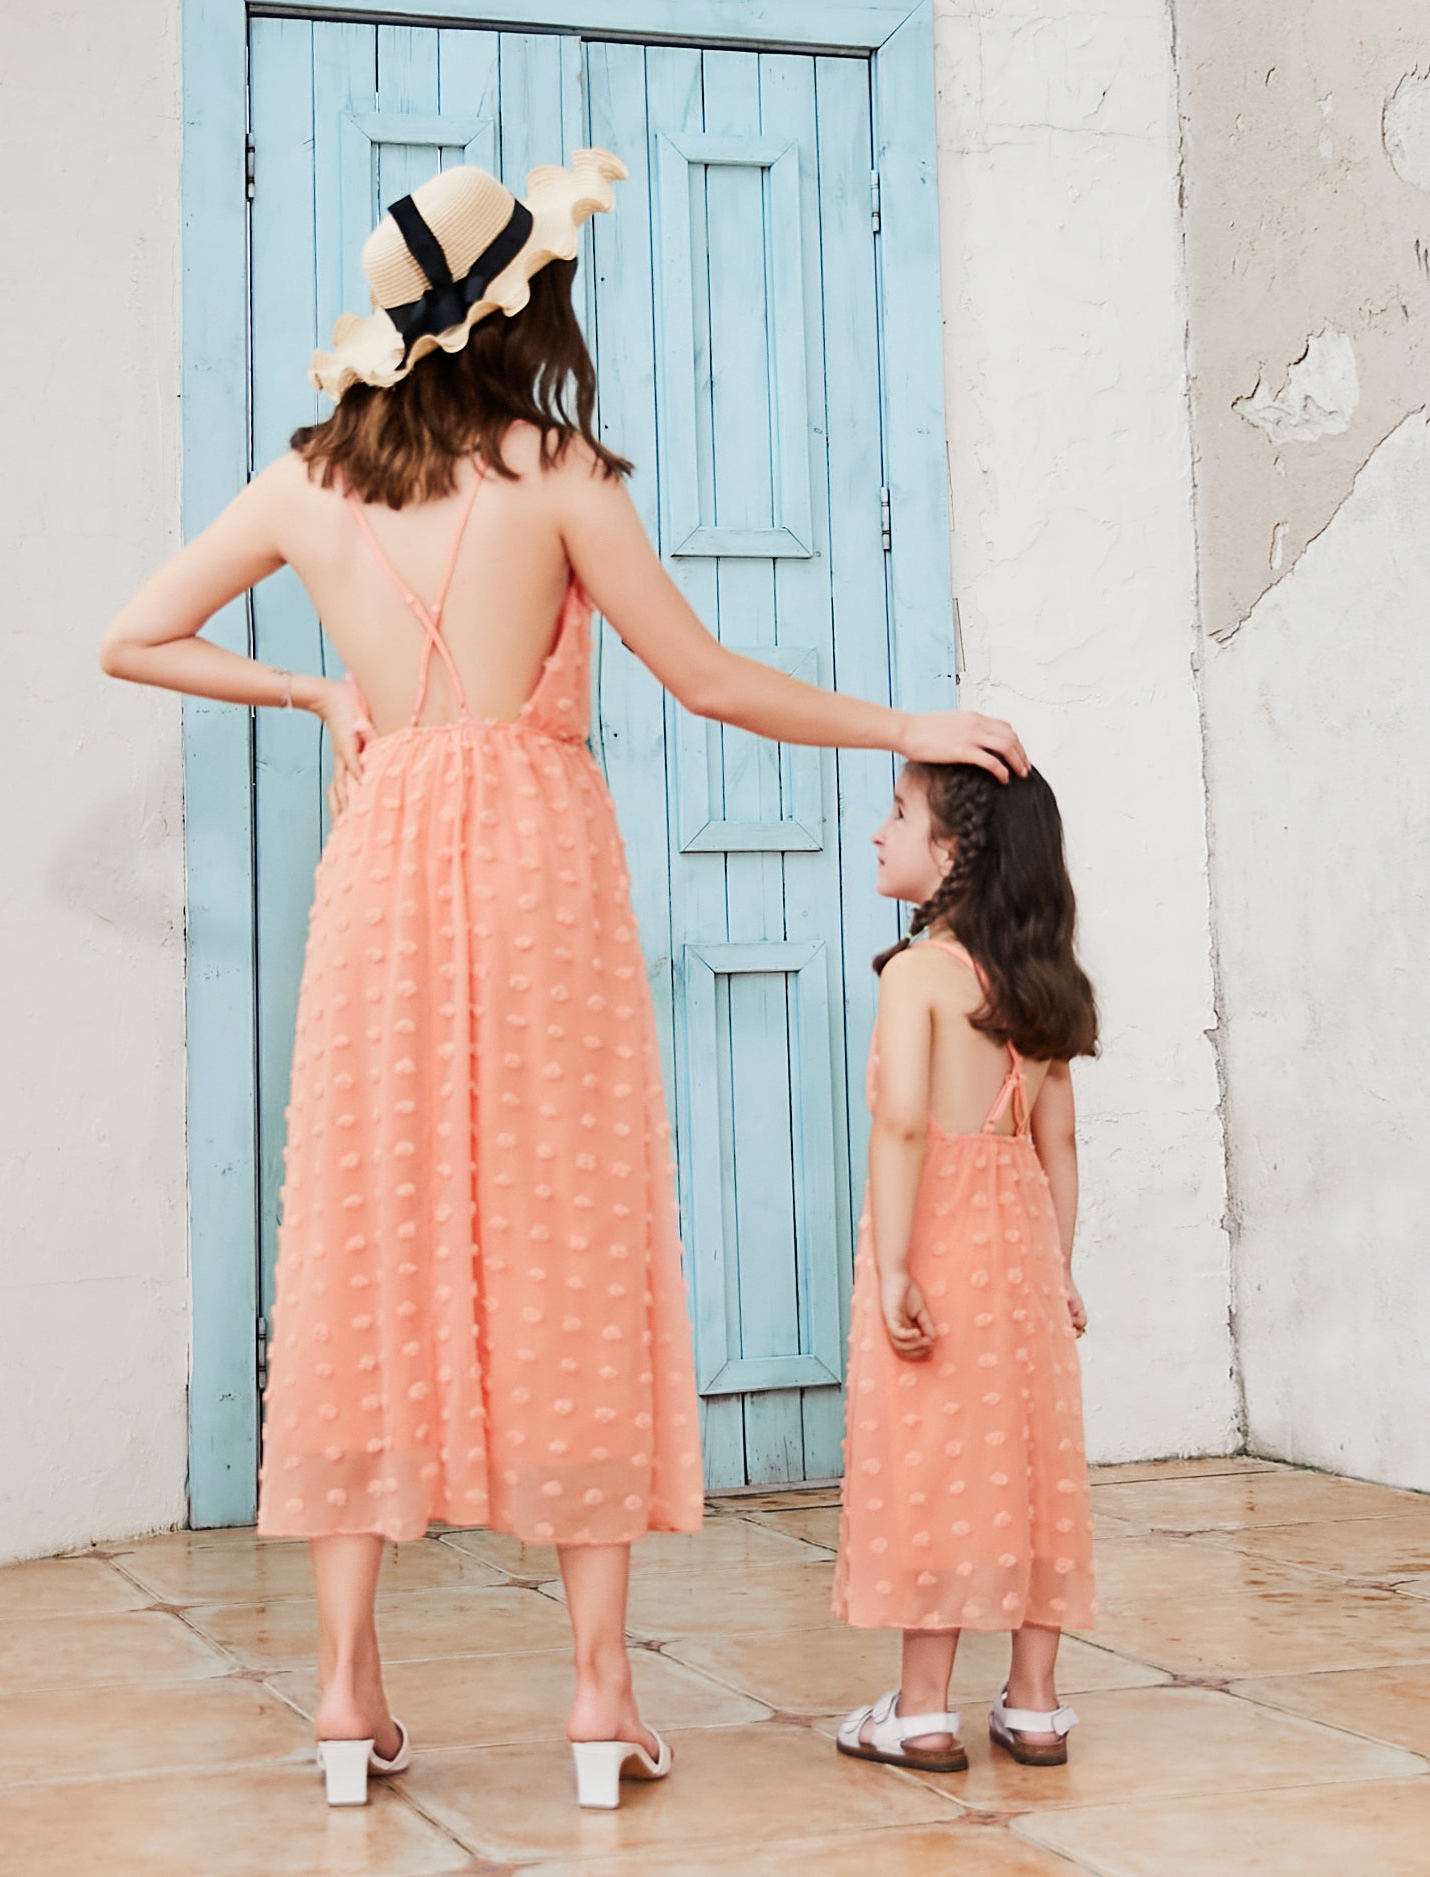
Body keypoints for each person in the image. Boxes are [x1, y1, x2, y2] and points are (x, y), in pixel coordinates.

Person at [101, 150, 1028, 1810]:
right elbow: (703, 678)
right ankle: (600, 1696)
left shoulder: (305, 481)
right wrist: (909, 726)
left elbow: (134, 634)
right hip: (540, 874)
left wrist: (320, 699)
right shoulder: (557, 470)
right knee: (574, 1244)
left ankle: (343, 1691)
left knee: (365, 1246)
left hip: (382, 875)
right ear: (517, 310)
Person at [833, 760, 1098, 1775]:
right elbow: (1056, 1142)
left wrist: (895, 1264)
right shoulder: (1041, 983)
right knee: (1032, 1460)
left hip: (936, 1239)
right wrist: (1057, 1267)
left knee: (931, 1460)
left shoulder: (917, 975)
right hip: (1022, 1249)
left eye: (898, 813)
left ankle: (921, 1711)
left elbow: (903, 1123)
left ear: (953, 851)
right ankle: (1034, 1703)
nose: (878, 831)